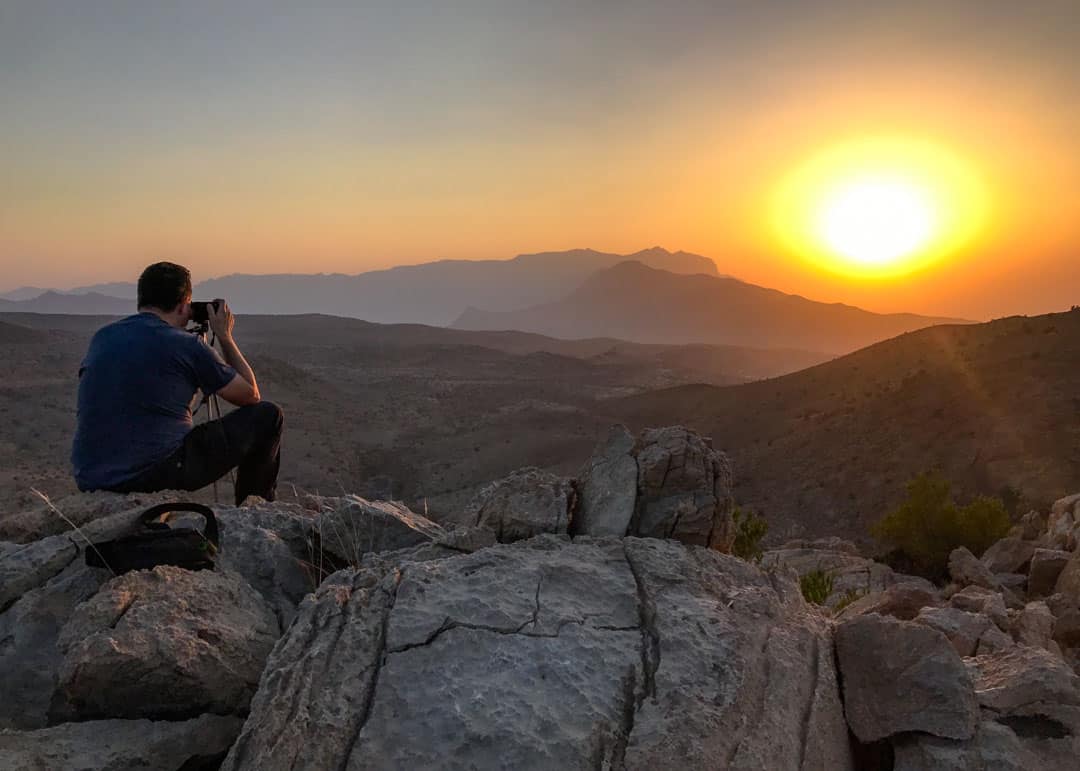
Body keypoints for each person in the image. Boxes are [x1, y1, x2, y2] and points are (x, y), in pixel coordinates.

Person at [71, 261, 283, 505]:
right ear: (184, 305)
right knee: (268, 416)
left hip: (91, 476)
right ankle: (255, 512)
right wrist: (224, 336)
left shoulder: (103, 336)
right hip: (154, 471)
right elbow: (250, 394)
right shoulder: (185, 345)